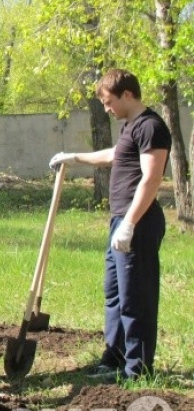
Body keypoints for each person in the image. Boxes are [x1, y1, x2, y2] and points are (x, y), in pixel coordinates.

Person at [49, 68, 170, 381]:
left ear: (127, 94)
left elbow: (152, 178)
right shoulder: (132, 127)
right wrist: (74, 157)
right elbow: (115, 155)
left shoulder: (151, 127)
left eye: (108, 102)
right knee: (115, 293)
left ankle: (137, 369)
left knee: (135, 297)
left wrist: (130, 223)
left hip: (138, 222)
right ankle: (114, 359)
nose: (106, 109)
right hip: (121, 220)